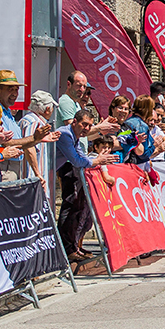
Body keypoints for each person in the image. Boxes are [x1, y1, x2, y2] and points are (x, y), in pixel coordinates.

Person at [55, 110, 118, 261]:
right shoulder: (65, 134)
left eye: (90, 126)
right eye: (84, 124)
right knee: (70, 208)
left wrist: (95, 160)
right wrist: (97, 161)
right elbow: (76, 160)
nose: (87, 129)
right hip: (59, 172)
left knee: (78, 209)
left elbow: (81, 156)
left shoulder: (75, 136)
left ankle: (73, 246)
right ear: (74, 122)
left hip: (68, 171)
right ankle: (66, 248)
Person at [0, 70, 56, 181]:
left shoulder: (8, 114)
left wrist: (37, 139)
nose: (15, 94)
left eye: (16, 89)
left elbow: (23, 144)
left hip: (14, 166)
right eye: (10, 89)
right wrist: (34, 138)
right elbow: (6, 142)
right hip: (5, 166)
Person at [19, 90, 62, 181]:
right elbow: (29, 147)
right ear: (47, 109)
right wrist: (37, 174)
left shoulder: (29, 119)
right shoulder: (34, 122)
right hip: (31, 178)